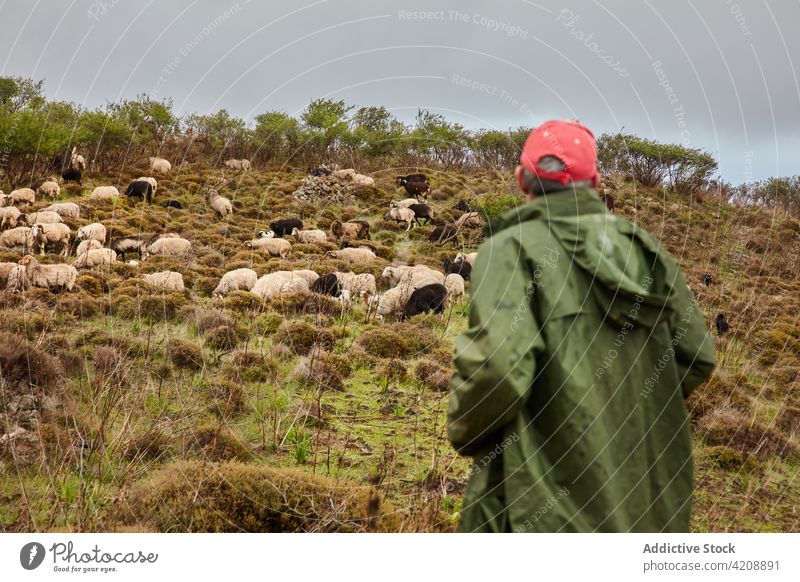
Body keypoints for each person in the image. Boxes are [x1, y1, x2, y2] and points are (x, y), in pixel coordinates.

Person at [447, 120, 715, 532]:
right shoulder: (646, 251)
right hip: (642, 499)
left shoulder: (512, 248)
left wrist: (465, 431)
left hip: (537, 507)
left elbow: (499, 369)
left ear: (523, 179)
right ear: (595, 180)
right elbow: (697, 355)